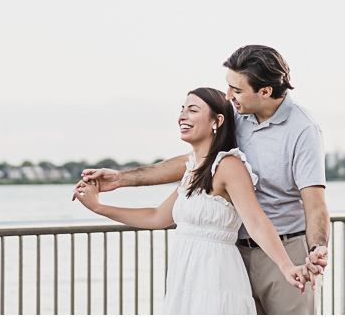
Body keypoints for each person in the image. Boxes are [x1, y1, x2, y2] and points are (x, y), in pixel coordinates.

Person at [76, 45, 330, 315]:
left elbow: (314, 205)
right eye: (228, 87)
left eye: (237, 89)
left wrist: (316, 248)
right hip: (231, 255)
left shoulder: (303, 130)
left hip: (284, 248)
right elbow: (194, 163)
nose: (229, 95)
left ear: (265, 91)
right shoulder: (235, 114)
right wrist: (121, 179)